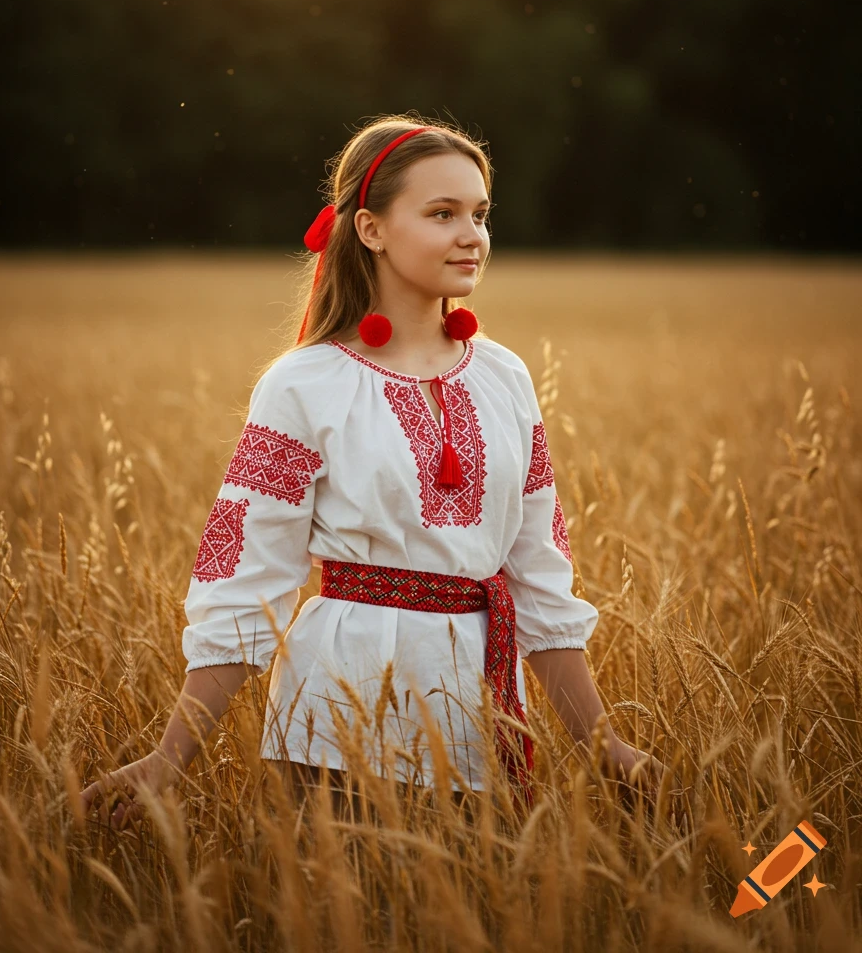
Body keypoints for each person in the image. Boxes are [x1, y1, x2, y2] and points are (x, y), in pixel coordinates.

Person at [79, 115, 665, 832]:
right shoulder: (303, 383)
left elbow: (539, 577)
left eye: (479, 214)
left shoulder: (506, 377)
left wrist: (603, 744)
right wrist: (167, 761)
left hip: (485, 712)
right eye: (442, 213)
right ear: (371, 228)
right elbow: (244, 584)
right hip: (338, 721)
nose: (471, 234)